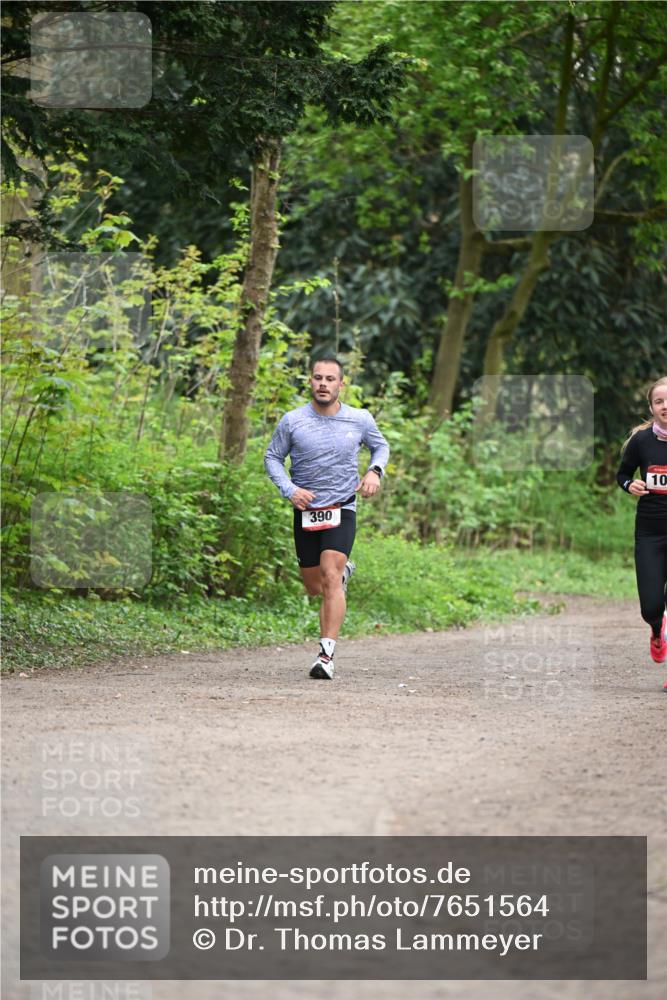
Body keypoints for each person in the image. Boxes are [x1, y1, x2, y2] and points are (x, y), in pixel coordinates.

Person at [264, 357, 389, 680]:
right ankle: (341, 573)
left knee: (330, 574)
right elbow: (273, 457)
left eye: (330, 379)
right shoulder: (292, 421)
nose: (323, 383)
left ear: (340, 385)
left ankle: (326, 656)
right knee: (313, 585)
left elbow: (380, 447)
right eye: (318, 378)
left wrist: (375, 471)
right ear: (310, 382)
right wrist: (289, 489)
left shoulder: (358, 419)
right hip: (305, 510)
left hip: (342, 506)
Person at [616, 376, 667, 686]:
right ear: (652, 407)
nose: (666, 406)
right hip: (649, 531)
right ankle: (655, 628)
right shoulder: (641, 442)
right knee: (651, 605)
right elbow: (622, 474)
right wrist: (629, 484)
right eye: (659, 401)